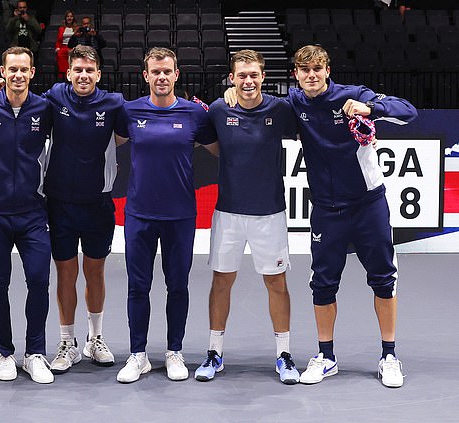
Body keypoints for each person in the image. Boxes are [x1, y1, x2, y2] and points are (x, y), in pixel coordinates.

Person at [287, 45, 417, 388]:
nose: (311, 76)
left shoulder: (354, 96)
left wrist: (370, 108)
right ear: (296, 75)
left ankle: (389, 355)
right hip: (327, 211)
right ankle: (326, 357)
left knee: (383, 280)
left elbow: (409, 112)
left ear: (327, 70)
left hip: (367, 205)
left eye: (317, 69)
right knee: (323, 284)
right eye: (305, 71)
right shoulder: (295, 102)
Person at [194, 49, 300, 384]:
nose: (248, 81)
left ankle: (284, 355)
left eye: (253, 75)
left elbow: (311, 123)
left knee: (276, 283)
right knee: (221, 282)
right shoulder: (220, 109)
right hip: (227, 213)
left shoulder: (281, 109)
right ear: (232, 78)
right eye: (242, 75)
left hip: (269, 214)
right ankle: (214, 353)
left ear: (263, 77)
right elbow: (210, 144)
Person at [113, 47, 216, 383]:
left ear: (176, 75)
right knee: (137, 286)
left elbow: (221, 147)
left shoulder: (194, 114)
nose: (160, 77)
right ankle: (138, 355)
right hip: (139, 214)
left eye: (166, 71)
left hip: (181, 215)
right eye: (154, 72)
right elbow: (106, 138)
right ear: (146, 76)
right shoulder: (129, 111)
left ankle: (175, 352)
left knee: (178, 286)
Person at [0, 46, 54, 384]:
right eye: (11, 69)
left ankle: (34, 353)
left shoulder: (45, 109)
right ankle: (4, 353)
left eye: (24, 70)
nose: (18, 75)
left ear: (32, 73)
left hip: (33, 213)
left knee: (39, 281)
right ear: (2, 71)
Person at [41, 45, 125, 374]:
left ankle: (95, 338)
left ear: (99, 74)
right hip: (59, 203)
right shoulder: (54, 97)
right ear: (69, 73)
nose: (83, 75)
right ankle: (67, 342)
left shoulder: (114, 104)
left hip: (98, 204)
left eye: (90, 70)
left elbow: (147, 118)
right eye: (78, 70)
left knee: (95, 272)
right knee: (65, 273)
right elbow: (19, 100)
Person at [54, 10, 78, 76]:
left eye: (71, 16)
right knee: (62, 68)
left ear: (73, 18)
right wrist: (57, 48)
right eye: (68, 16)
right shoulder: (61, 28)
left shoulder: (76, 28)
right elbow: (58, 40)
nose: (69, 18)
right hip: (63, 48)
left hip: (72, 48)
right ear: (65, 18)